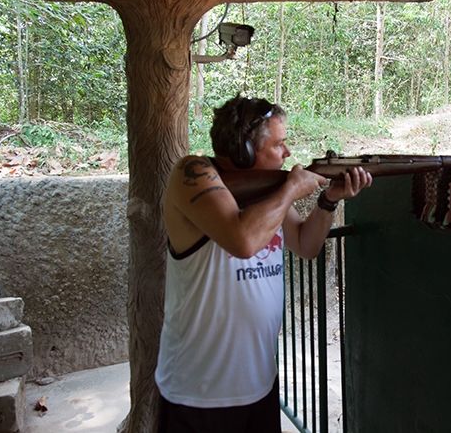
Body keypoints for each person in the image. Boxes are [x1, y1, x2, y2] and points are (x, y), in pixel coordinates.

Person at [155, 93, 372, 433]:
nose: (287, 154)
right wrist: (291, 190)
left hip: (258, 383)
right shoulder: (192, 172)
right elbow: (243, 241)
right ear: (243, 150)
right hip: (199, 392)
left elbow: (305, 244)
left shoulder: (266, 193)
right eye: (279, 145)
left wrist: (327, 201)